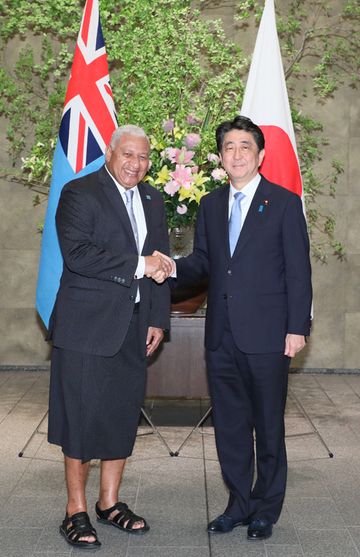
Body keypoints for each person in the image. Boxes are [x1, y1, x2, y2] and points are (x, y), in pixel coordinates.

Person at [155, 115, 312, 541]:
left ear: (260, 155)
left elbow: (298, 273)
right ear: (221, 158)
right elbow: (205, 264)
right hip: (222, 337)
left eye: (245, 146)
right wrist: (167, 269)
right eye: (229, 147)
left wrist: (296, 328)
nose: (237, 153)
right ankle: (238, 504)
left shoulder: (283, 203)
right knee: (229, 425)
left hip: (268, 335)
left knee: (268, 426)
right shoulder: (211, 204)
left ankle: (265, 509)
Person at [47, 125, 172, 549]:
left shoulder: (153, 199)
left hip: (135, 325)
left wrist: (157, 318)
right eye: (128, 155)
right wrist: (140, 265)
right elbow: (79, 254)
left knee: (121, 415)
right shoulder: (80, 193)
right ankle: (75, 511)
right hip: (86, 326)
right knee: (80, 420)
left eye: (143, 158)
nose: (135, 164)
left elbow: (161, 259)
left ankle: (109, 503)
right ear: (110, 152)